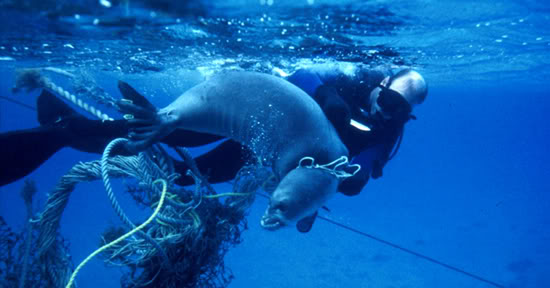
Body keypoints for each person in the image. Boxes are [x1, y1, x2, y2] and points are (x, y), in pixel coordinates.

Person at [0, 65, 427, 197]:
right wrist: (326, 94)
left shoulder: (386, 134)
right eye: (389, 102)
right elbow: (300, 72)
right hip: (245, 113)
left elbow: (358, 176)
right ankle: (62, 131)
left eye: (400, 113)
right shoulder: (354, 78)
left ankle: (70, 132)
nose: (389, 114)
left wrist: (348, 175)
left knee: (185, 175)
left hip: (263, 151)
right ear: (381, 86)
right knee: (160, 129)